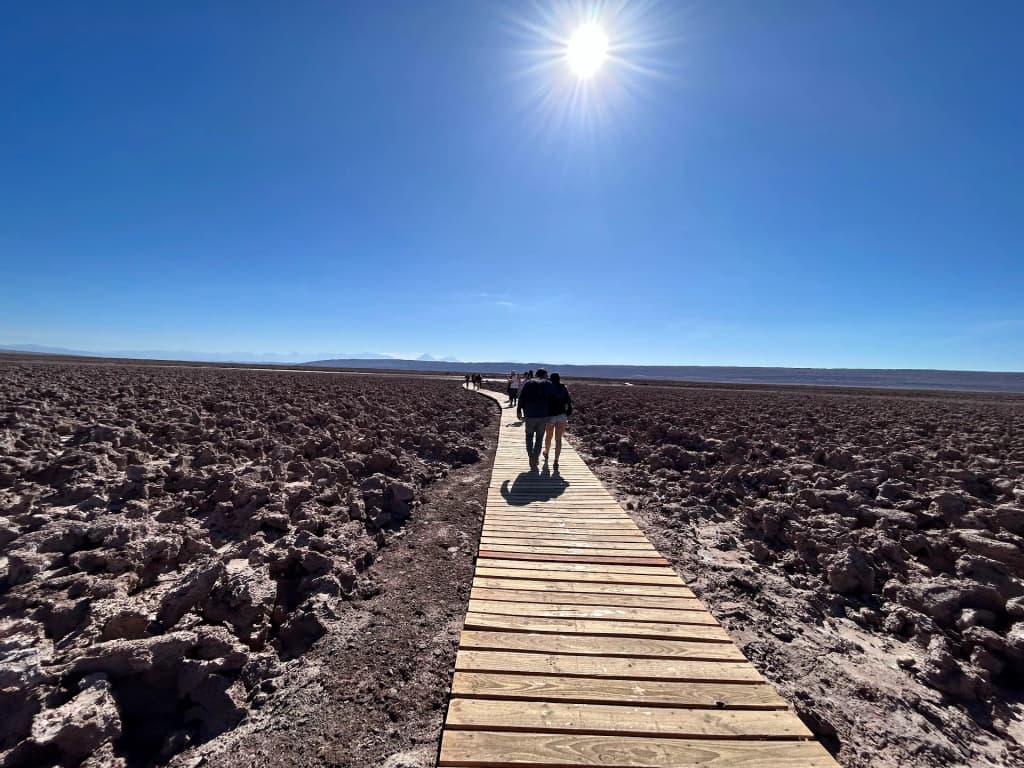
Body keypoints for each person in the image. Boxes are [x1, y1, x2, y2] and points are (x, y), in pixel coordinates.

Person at [516, 368, 553, 470]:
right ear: (545, 375)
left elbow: (521, 397)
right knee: (539, 438)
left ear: (536, 374)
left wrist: (519, 410)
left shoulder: (528, 383)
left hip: (530, 415)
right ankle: (535, 457)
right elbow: (553, 399)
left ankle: (531, 455)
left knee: (529, 436)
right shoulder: (548, 384)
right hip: (543, 416)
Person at [543, 372, 573, 471]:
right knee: (558, 439)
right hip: (561, 416)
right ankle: (556, 460)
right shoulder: (564, 388)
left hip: (550, 416)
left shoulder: (548, 388)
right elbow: (569, 401)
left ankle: (546, 452)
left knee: (548, 436)